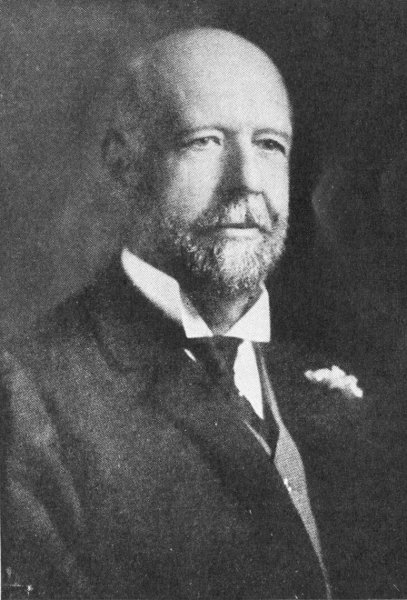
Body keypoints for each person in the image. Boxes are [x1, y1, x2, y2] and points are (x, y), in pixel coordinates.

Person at [0, 27, 384, 600]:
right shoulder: (25, 393)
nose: (247, 181)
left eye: (269, 145)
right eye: (204, 142)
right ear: (124, 163)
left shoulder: (319, 387)